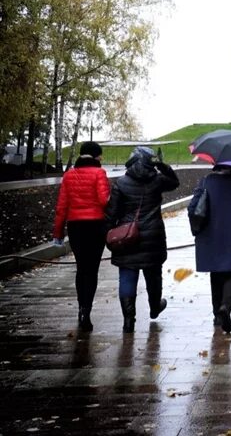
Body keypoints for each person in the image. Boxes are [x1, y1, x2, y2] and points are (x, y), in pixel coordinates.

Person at [105, 146, 179, 333]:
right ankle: (155, 307)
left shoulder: (121, 183)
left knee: (127, 276)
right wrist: (162, 165)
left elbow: (111, 213)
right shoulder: (157, 180)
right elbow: (174, 182)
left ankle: (129, 320)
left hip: (127, 237)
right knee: (153, 275)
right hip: (152, 236)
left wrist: (108, 234)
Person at [52, 141, 111, 332]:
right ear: (94, 156)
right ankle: (87, 310)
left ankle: (80, 307)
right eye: (100, 155)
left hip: (76, 227)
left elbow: (61, 207)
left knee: (81, 268)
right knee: (92, 270)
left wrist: (58, 233)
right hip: (95, 227)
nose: (101, 158)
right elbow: (104, 201)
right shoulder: (99, 174)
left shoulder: (69, 175)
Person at [188, 164, 231, 333]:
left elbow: (193, 207)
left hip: (211, 235)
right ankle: (226, 306)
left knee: (215, 273)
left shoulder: (206, 181)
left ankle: (217, 314)